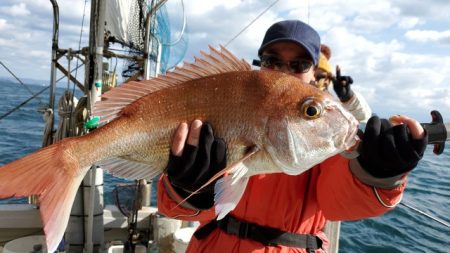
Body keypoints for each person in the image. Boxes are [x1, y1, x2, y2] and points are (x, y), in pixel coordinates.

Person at [157, 20, 428, 253]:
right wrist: (187, 190)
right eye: (272, 61)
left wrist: (378, 173)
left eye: (299, 64)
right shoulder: (229, 104)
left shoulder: (325, 126)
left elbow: (340, 203)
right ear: (260, 66)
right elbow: (175, 210)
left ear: (314, 74)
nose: (284, 72)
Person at [316, 44, 372, 123]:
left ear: (328, 80)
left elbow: (363, 119)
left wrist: (349, 98)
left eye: (320, 77)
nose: (314, 80)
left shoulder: (333, 104)